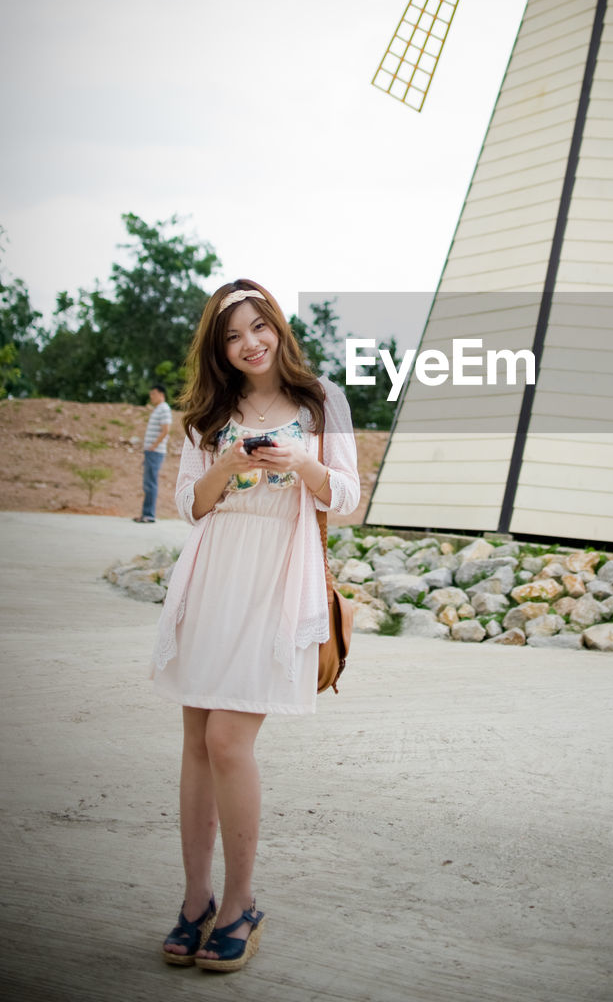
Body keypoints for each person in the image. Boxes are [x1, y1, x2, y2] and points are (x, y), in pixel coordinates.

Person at [149, 278, 360, 972]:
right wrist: (230, 463)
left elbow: (350, 498)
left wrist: (301, 461)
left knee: (227, 739)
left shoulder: (319, 400)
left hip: (277, 579)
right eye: (233, 335)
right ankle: (194, 900)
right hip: (214, 578)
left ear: (278, 328)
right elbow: (190, 504)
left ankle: (241, 902)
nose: (250, 344)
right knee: (196, 741)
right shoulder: (210, 410)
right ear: (219, 347)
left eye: (259, 327)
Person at [134, 384, 172, 522]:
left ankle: (149, 515)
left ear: (161, 394)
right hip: (152, 451)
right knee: (147, 482)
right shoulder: (158, 409)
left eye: (153, 394)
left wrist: (153, 446)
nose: (151, 397)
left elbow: (166, 430)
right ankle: (145, 513)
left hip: (155, 452)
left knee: (150, 483)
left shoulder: (164, 409)